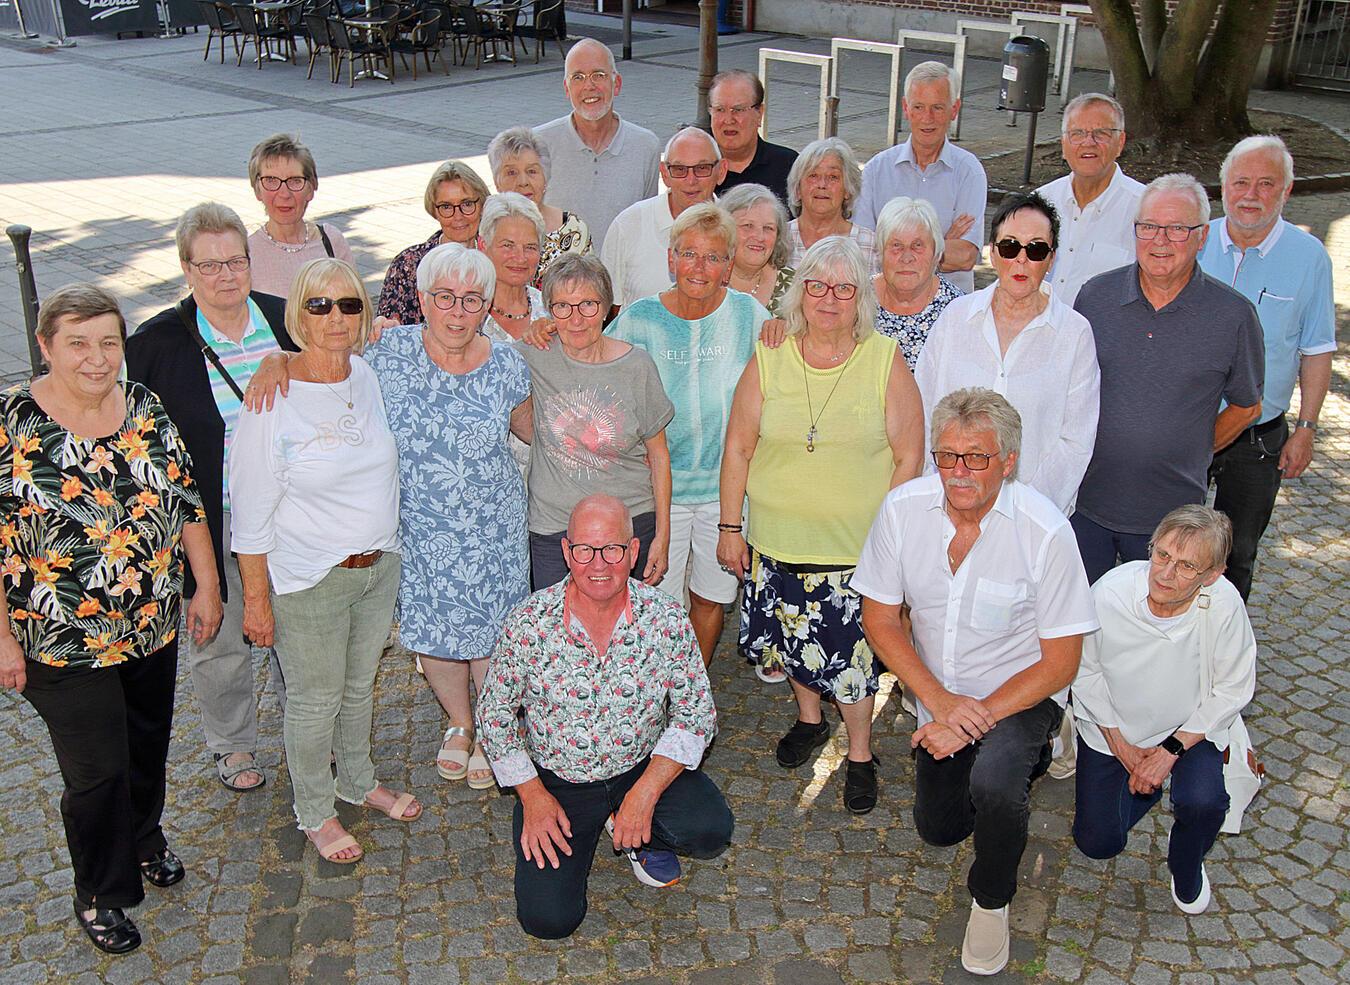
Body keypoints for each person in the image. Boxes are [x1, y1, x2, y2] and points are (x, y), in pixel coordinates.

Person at [244, 246, 535, 793]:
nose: (457, 311)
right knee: (437, 628)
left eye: (471, 299)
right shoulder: (388, 351)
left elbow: (529, 429)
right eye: (444, 297)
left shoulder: (507, 362)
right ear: (422, 299)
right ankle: (460, 722)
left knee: (496, 631)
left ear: (488, 304)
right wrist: (276, 359)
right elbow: (323, 356)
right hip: (418, 525)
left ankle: (496, 730)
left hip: (493, 527)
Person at [0, 285, 223, 954]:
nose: (96, 358)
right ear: (44, 346)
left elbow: (186, 501)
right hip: (58, 638)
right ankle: (100, 888)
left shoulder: (144, 406)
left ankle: (145, 833)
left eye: (107, 341)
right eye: (77, 342)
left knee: (147, 741)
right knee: (96, 767)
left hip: (150, 622)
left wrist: (205, 586)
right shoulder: (14, 424)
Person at [853, 387, 1098, 977]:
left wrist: (974, 720)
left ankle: (993, 900)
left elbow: (1061, 663)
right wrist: (938, 705)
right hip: (938, 694)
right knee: (939, 829)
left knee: (995, 786)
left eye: (976, 458)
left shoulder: (1045, 531)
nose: (958, 473)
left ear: (1008, 462)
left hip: (1022, 691)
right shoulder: (902, 511)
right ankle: (1031, 752)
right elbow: (879, 619)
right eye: (947, 456)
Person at [719, 237, 925, 807]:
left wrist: (892, 539)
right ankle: (810, 719)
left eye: (843, 288)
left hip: (853, 553)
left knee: (853, 662)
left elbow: (910, 454)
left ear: (861, 297)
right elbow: (737, 447)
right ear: (800, 292)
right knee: (791, 645)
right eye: (816, 286)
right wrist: (730, 528)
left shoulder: (884, 358)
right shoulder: (770, 355)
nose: (828, 299)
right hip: (774, 543)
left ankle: (859, 751)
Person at [230, 259, 420, 865]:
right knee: (315, 701)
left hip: (376, 566)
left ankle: (356, 780)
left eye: (348, 305)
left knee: (359, 686)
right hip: (307, 577)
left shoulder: (364, 375)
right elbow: (251, 512)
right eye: (319, 305)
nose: (335, 317)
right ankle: (314, 808)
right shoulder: (272, 396)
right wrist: (256, 599)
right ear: (297, 315)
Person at [476, 495, 734, 940]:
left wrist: (645, 793)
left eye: (612, 549)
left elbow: (697, 714)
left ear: (633, 552)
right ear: (566, 552)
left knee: (710, 831)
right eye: (585, 550)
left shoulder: (666, 617)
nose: (599, 563)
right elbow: (494, 715)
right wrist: (533, 797)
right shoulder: (529, 622)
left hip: (639, 766)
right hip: (559, 781)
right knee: (549, 921)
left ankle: (636, 827)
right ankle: (592, 822)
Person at [127, 201, 297, 794]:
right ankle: (233, 745)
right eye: (211, 265)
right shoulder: (156, 344)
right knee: (219, 635)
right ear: (186, 269)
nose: (227, 275)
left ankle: (307, 735)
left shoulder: (284, 320)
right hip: (212, 521)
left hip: (290, 516)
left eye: (236, 261)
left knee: (297, 633)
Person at [1073, 173, 1264, 583]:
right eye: (1149, 227)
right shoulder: (1094, 298)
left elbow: (1247, 406)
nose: (1160, 240)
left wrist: (1194, 448)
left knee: (1156, 636)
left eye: (1177, 228)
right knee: (1080, 628)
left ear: (1202, 237)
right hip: (1085, 505)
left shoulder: (1233, 315)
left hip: (1173, 518)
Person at [1072, 505, 1256, 915]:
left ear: (1212, 575)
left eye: (1188, 567)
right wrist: (1124, 749)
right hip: (1113, 726)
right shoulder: (1110, 592)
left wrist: (1169, 752)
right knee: (1098, 844)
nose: (1165, 574)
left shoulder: (1224, 605)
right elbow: (1083, 672)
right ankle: (1148, 788)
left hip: (1190, 728)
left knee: (1204, 803)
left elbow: (1233, 687)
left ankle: (1186, 861)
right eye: (1162, 555)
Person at [608, 202, 769, 665]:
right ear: (670, 259)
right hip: (661, 491)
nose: (700, 267)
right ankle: (655, 689)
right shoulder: (639, 319)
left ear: (728, 265)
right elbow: (600, 370)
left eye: (714, 257)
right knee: (657, 602)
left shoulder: (749, 317)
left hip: (726, 493)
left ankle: (690, 689)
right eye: (689, 254)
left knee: (711, 597)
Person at [1199, 135, 1335, 600]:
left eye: (1265, 184)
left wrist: (1307, 428)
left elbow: (1317, 348)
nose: (1251, 195)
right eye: (1240, 182)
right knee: (1167, 538)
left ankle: (1222, 651)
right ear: (1222, 188)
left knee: (1237, 554)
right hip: (1185, 423)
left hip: (1258, 435)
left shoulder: (1309, 257)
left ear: (1286, 191)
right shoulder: (1193, 239)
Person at [916, 191, 1099, 513]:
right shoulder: (955, 318)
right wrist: (943, 492)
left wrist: (1023, 509)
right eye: (1010, 246)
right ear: (993, 252)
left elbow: (1076, 441)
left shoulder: (1074, 334)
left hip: (1034, 517)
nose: (1021, 260)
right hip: (947, 507)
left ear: (1052, 258)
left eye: (1036, 249)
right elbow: (923, 409)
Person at [522, 254, 674, 590]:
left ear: (606, 307)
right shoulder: (535, 354)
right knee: (557, 632)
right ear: (549, 312)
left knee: (626, 634)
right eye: (562, 306)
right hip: (554, 528)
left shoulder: (637, 366)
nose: (576, 319)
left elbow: (660, 455)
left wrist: (663, 535)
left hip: (628, 525)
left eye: (588, 304)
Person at [853, 61, 986, 293]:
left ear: (954, 110)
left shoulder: (969, 172)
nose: (927, 118)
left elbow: (965, 256)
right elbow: (865, 254)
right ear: (905, 108)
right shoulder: (876, 171)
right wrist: (941, 243)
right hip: (885, 308)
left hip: (949, 309)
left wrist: (895, 249)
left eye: (937, 107)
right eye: (919, 107)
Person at [534, 38, 661, 252]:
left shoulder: (646, 146)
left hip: (621, 283)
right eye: (578, 77)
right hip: (555, 283)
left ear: (617, 84)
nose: (589, 86)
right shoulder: (538, 144)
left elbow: (647, 225)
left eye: (598, 75)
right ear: (567, 88)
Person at [1035, 94, 1145, 305]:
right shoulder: (1038, 203)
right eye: (1077, 134)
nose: (1089, 142)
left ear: (1120, 142)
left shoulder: (1145, 210)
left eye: (1101, 133)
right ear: (1064, 144)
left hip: (1104, 337)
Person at [601, 126, 727, 309]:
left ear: (721, 171)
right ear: (664, 174)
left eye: (702, 168)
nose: (690, 180)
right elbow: (609, 309)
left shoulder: (738, 228)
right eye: (679, 169)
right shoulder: (628, 225)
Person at [376, 160, 489, 327]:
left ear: (481, 205)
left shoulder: (496, 259)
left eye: (467, 204)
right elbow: (390, 331)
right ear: (435, 211)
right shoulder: (408, 264)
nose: (458, 216)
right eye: (446, 206)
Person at [245, 132, 356, 300]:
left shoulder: (332, 241)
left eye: (295, 181)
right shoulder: (245, 255)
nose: (284, 194)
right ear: (257, 189)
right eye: (271, 180)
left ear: (311, 188)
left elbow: (356, 310)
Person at [487, 126, 594, 288]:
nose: (523, 181)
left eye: (532, 171)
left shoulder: (574, 229)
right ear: (496, 181)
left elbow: (589, 291)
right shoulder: (485, 230)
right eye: (511, 173)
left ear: (545, 177)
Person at [871, 195, 963, 369]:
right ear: (880, 252)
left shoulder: (957, 310)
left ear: (936, 253)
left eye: (917, 245)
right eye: (896, 246)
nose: (906, 257)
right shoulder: (856, 300)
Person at [784, 137, 877, 273]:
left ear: (848, 190)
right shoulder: (777, 239)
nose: (822, 185)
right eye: (813, 175)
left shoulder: (870, 245)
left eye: (833, 177)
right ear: (798, 189)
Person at [708, 69, 798, 204]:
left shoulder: (789, 166)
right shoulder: (696, 168)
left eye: (738, 110)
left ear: (759, 113)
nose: (728, 120)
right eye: (720, 109)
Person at [478, 192, 549, 340]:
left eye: (530, 247)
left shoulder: (552, 309)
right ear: (483, 245)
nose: (520, 257)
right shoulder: (464, 310)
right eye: (508, 245)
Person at [719, 182, 795, 315]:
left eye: (768, 228)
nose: (760, 237)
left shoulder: (795, 286)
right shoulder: (703, 280)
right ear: (724, 230)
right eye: (747, 225)